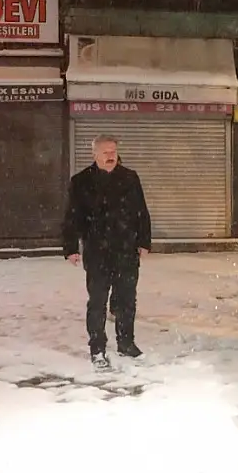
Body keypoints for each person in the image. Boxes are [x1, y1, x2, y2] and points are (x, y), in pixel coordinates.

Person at [62, 135, 152, 370]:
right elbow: (72, 217)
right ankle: (97, 348)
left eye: (113, 151)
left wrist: (144, 241)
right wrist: (70, 248)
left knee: (126, 300)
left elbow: (141, 211)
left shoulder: (130, 178)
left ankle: (126, 343)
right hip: (97, 251)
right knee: (98, 302)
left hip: (126, 250)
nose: (111, 155)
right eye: (105, 152)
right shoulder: (81, 181)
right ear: (94, 155)